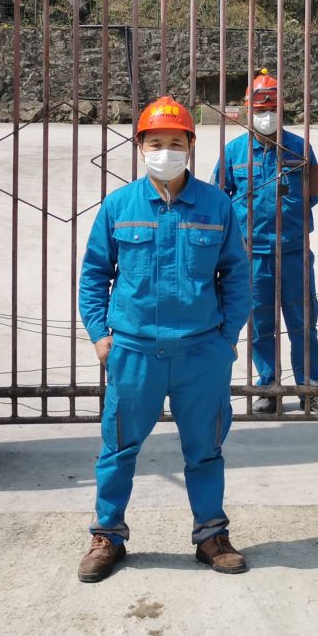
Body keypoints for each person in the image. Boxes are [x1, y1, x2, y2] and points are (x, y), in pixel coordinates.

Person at [76, 96, 251, 583]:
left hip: (201, 352)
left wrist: (227, 338)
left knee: (206, 450)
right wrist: (100, 336)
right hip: (134, 353)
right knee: (118, 450)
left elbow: (237, 277)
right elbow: (94, 275)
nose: (166, 151)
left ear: (191, 146)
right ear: (141, 147)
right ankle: (107, 535)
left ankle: (211, 535)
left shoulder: (217, 205)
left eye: (176, 142)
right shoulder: (119, 205)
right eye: (156, 143)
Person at [213, 69, 318, 416]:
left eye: (272, 109)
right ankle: (268, 388)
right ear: (248, 110)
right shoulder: (234, 152)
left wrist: (291, 216)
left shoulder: (299, 148)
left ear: (282, 109)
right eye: (260, 110)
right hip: (251, 255)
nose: (266, 116)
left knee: (303, 322)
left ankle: (311, 387)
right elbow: (220, 196)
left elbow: (313, 192)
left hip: (293, 251)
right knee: (260, 324)